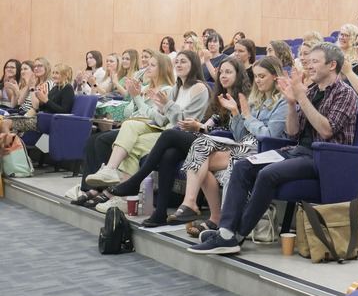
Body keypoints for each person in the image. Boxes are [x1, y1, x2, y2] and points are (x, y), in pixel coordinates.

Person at [187, 42, 358, 255]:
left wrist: (301, 98)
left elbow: (326, 131)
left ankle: (234, 235)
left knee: (267, 174)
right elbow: (293, 132)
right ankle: (226, 231)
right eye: (309, 61)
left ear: (332, 65)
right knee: (243, 166)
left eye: (315, 61)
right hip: (297, 151)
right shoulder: (311, 91)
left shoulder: (345, 94)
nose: (309, 65)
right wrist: (289, 104)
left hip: (325, 157)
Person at [108, 57, 254, 228]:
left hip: (227, 145)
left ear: (239, 74)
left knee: (169, 135)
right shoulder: (218, 96)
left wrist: (230, 114)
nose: (223, 76)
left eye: (228, 72)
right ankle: (160, 212)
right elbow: (210, 124)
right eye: (221, 72)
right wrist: (198, 126)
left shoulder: (245, 98)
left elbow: (240, 135)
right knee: (169, 155)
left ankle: (136, 181)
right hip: (210, 140)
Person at [168, 56, 287, 234]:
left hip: (265, 150)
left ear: (275, 76)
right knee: (201, 150)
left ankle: (217, 219)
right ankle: (202, 209)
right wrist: (236, 113)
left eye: (263, 76)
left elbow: (270, 135)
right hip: (245, 144)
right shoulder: (256, 100)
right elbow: (241, 135)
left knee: (202, 158)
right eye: (256, 76)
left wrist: (247, 117)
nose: (258, 80)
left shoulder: (282, 101)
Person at [84, 50, 210, 213]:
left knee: (126, 143)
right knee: (129, 127)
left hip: (181, 136)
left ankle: (125, 193)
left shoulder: (199, 88)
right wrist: (157, 107)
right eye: (177, 61)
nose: (178, 64)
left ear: (194, 64)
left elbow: (185, 123)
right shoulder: (176, 89)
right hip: (165, 130)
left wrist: (166, 106)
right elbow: (159, 119)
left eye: (183, 61)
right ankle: (110, 172)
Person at [70, 51, 175, 207]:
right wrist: (135, 95)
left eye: (153, 65)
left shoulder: (167, 90)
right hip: (134, 125)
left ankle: (103, 185)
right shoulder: (147, 87)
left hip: (148, 128)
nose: (148, 68)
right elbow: (129, 112)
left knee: (102, 141)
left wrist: (138, 98)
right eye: (148, 65)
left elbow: (155, 118)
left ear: (163, 68)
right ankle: (93, 187)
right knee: (92, 140)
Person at [0, 63, 74, 140]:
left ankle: (10, 148)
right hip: (40, 117)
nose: (54, 76)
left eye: (57, 73)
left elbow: (65, 111)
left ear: (66, 75)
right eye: (53, 73)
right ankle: (13, 149)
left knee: (5, 123)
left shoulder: (68, 88)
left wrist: (46, 100)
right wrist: (41, 101)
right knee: (5, 123)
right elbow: (44, 107)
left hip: (47, 120)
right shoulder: (55, 87)